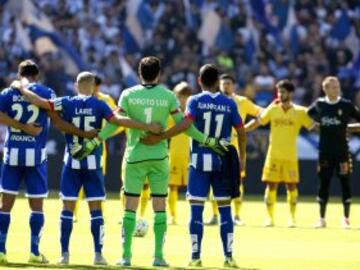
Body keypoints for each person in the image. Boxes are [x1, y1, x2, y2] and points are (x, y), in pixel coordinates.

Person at [77, 57, 220, 267]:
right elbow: (186, 126)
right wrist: (207, 140)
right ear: (159, 73)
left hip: (134, 157)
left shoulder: (128, 94)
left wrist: (95, 140)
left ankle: (126, 257)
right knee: (159, 208)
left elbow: (115, 124)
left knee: (130, 209)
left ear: (139, 72)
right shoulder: (169, 96)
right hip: (159, 157)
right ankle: (159, 257)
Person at [14, 71, 162, 265]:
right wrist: (146, 126)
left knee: (67, 209)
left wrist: (21, 88)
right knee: (96, 210)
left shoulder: (66, 102)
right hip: (93, 164)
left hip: (71, 163)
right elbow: (119, 121)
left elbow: (41, 102)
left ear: (76, 85)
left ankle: (64, 255)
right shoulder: (100, 104)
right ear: (93, 87)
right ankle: (98, 255)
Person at [142, 64, 246, 267]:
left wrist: (162, 136)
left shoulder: (195, 100)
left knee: (196, 210)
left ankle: (196, 256)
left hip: (198, 163)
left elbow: (185, 124)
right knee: (225, 210)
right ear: (217, 82)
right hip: (222, 163)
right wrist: (242, 158)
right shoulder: (229, 103)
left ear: (199, 81)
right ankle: (229, 257)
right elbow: (241, 132)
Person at [0, 60, 96, 264]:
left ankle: (0, 250)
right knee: (37, 207)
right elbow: (58, 121)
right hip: (35, 156)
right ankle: (34, 252)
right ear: (37, 75)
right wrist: (81, 133)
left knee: (5, 206)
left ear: (20, 74)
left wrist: (19, 126)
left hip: (12, 155)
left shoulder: (8, 92)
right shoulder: (47, 92)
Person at [245, 79, 314, 228]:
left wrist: (334, 129)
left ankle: (292, 218)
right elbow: (257, 122)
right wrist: (242, 130)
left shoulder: (301, 112)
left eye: (282, 91)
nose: (279, 94)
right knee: (271, 187)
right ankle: (270, 218)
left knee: (292, 187)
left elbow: (314, 126)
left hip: (290, 157)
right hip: (273, 155)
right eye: (278, 91)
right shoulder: (272, 109)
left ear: (290, 93)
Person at [207, 74, 262, 226]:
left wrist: (246, 128)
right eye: (223, 83)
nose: (225, 86)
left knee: (237, 183)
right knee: (214, 181)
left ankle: (236, 216)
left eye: (228, 83)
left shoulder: (242, 102)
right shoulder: (212, 101)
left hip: (235, 149)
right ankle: (214, 216)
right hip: (216, 147)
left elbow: (261, 113)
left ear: (234, 86)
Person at [307, 76, 360, 229]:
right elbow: (306, 116)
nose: (336, 89)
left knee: (345, 183)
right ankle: (322, 219)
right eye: (333, 87)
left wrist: (351, 128)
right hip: (324, 152)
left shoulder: (346, 105)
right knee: (324, 183)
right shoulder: (319, 104)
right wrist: (314, 125)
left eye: (337, 86)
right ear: (326, 89)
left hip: (342, 152)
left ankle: (346, 218)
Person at [73, 74, 123, 222]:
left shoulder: (106, 100)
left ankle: (98, 214)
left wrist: (104, 134)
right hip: (79, 143)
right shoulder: (78, 99)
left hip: (99, 146)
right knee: (77, 178)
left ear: (97, 86)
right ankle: (74, 213)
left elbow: (118, 123)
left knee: (96, 179)